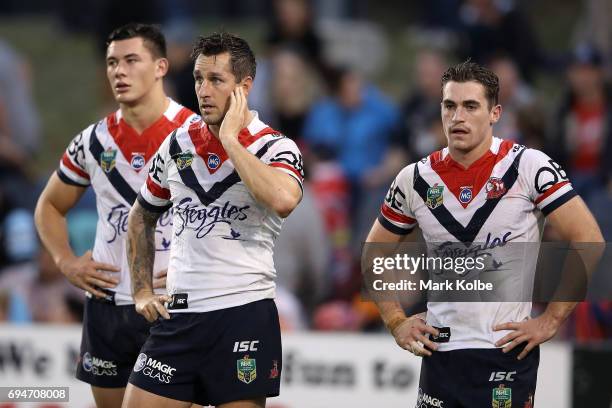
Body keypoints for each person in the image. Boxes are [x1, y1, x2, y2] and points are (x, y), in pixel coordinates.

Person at [366, 61, 604, 407]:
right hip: (440, 354)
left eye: (470, 106)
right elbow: (375, 253)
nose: (458, 116)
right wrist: (396, 320)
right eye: (450, 105)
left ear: (495, 113)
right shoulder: (413, 179)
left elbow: (589, 238)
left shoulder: (529, 167)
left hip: (505, 353)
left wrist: (551, 320)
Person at [123, 32, 303, 408]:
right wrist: (140, 290)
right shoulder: (176, 144)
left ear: (244, 87)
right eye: (198, 79)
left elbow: (283, 200)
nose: (203, 90)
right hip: (179, 317)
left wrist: (232, 140)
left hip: (243, 315)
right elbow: (141, 215)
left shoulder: (276, 146)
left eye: (216, 80)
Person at [34, 23, 197, 407]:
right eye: (111, 63)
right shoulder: (93, 142)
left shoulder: (195, 133)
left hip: (173, 305)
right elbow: (49, 206)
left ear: (160, 67)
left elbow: (232, 215)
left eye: (130, 60)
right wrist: (66, 261)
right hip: (108, 307)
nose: (118, 71)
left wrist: (196, 268)